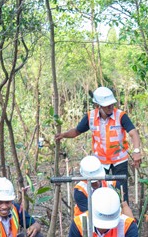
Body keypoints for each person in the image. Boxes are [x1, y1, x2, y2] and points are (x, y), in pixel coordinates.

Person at [54, 86, 142, 214]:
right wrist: (63, 135)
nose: (110, 107)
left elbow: (133, 133)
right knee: (101, 190)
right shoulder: (90, 117)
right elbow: (77, 131)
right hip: (101, 162)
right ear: (98, 105)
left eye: (112, 104)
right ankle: (104, 213)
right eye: (107, 106)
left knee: (121, 192)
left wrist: (136, 151)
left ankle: (124, 217)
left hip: (119, 160)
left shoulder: (121, 116)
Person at [71, 155, 121, 220]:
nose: (97, 183)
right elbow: (87, 212)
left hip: (110, 217)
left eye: (98, 180)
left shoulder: (112, 184)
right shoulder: (80, 190)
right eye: (93, 182)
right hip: (85, 219)